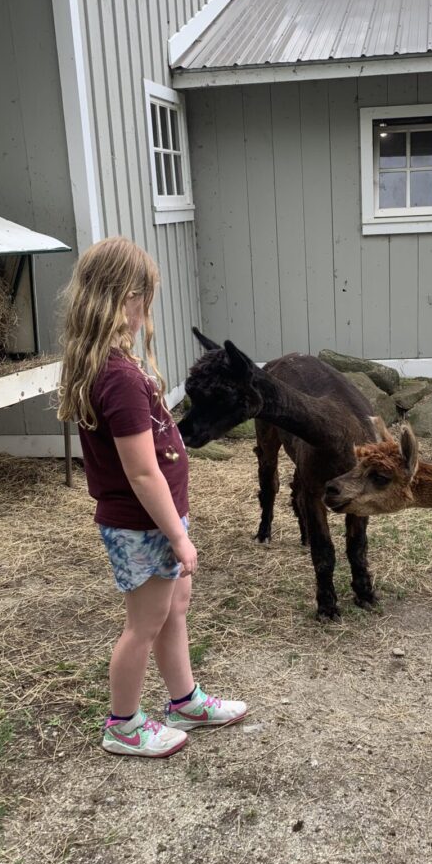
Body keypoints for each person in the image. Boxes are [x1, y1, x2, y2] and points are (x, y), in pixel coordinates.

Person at [58, 237, 247, 757]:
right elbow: (142, 473)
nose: (148, 310)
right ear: (125, 298)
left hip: (155, 520)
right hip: (143, 523)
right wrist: (180, 536)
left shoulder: (116, 365)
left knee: (173, 607)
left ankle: (183, 700)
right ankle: (123, 724)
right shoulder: (116, 377)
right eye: (145, 297)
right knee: (143, 624)